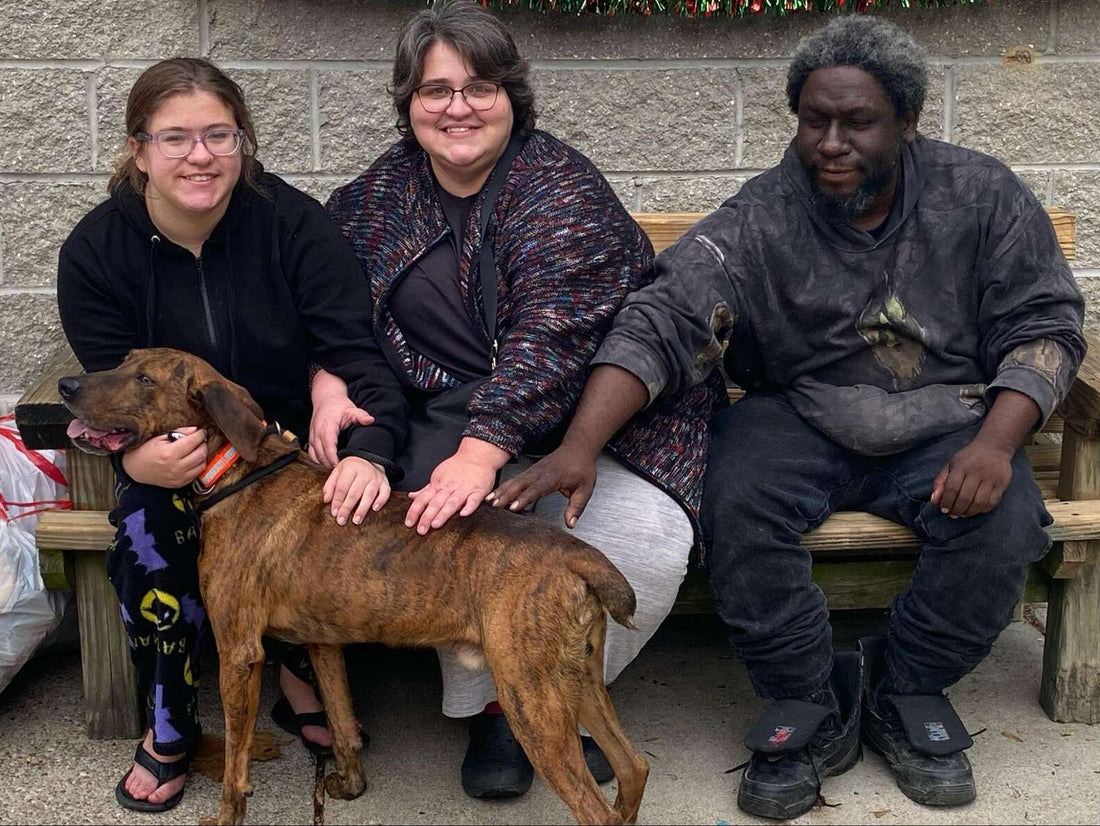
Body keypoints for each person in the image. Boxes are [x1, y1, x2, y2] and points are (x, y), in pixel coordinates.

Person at [492, 15, 1085, 820]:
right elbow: (663, 318)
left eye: (858, 122)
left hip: (950, 418)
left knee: (1007, 520)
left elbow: (1045, 324)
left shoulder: (981, 196)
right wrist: (578, 446)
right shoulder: (763, 214)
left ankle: (905, 689)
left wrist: (995, 442)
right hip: (799, 413)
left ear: (908, 122)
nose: (831, 142)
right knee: (733, 501)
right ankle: (804, 701)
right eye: (814, 121)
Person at [317, 0, 722, 801]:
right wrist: (330, 380)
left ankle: (563, 703)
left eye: (480, 86)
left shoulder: (558, 184)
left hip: (599, 421)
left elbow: (555, 335)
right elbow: (326, 303)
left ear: (513, 96)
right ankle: (496, 706)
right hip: (447, 420)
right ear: (407, 104)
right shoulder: (373, 198)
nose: (458, 107)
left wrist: (481, 451)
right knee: (438, 520)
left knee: (634, 539)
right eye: (435, 90)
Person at [56, 58, 407, 812]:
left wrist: (359, 428)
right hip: (166, 455)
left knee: (316, 525)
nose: (200, 155)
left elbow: (355, 352)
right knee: (152, 538)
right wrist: (140, 459)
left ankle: (296, 672)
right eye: (175, 137)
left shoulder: (291, 224)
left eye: (220, 134)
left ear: (243, 142)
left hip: (279, 449)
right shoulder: (97, 252)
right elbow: (109, 394)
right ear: (138, 149)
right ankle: (168, 720)